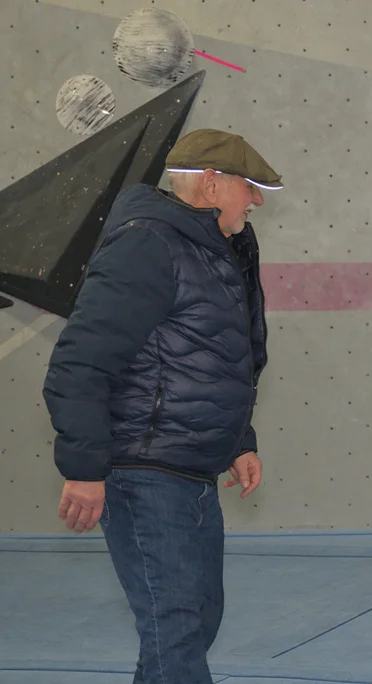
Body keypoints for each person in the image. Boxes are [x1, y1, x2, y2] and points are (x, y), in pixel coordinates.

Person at [43, 128, 279, 683]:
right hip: (142, 471)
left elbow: (224, 356)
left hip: (192, 468)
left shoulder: (219, 249)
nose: (258, 200)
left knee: (193, 621)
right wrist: (82, 469)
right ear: (213, 184)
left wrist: (239, 440)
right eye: (250, 187)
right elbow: (78, 362)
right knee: (174, 631)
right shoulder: (148, 244)